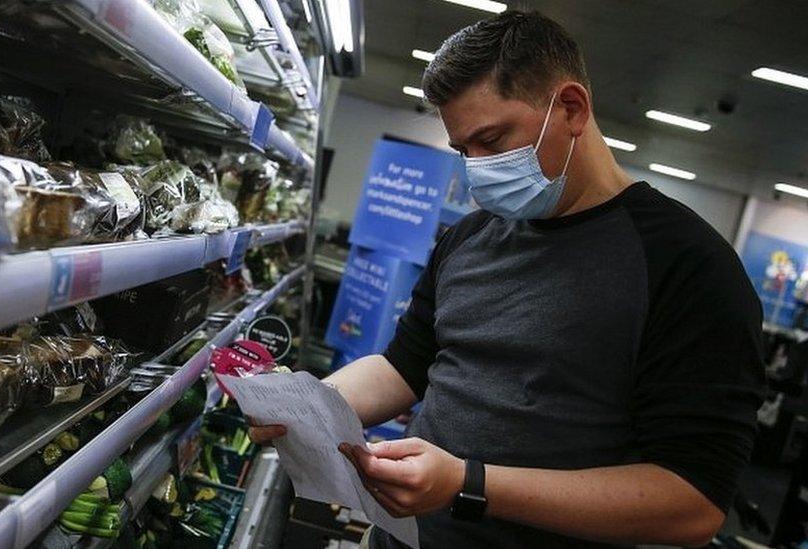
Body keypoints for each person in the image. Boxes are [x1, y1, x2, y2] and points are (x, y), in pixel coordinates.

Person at [252, 10, 765, 548]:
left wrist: (468, 484)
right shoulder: (469, 238)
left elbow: (692, 502)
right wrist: (302, 405)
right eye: (462, 151)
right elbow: (405, 366)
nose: (477, 172)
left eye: (492, 142)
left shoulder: (688, 266)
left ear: (571, 108)